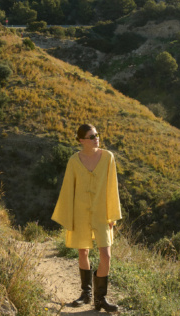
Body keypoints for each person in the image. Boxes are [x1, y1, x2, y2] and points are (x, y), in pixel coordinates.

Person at [51, 123, 122, 312]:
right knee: (83, 252)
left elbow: (112, 187)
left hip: (102, 213)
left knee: (106, 256)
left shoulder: (108, 157)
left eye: (97, 135)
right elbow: (68, 189)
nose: (96, 138)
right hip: (80, 213)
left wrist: (112, 214)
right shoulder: (74, 161)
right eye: (91, 136)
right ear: (82, 140)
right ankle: (86, 294)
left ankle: (101, 299)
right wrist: (69, 217)